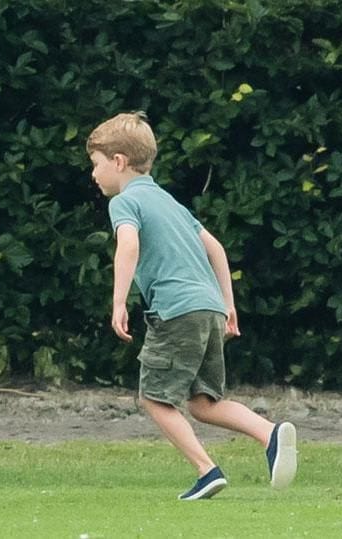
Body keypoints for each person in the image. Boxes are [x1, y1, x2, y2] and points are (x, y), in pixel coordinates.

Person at [86, 112, 297, 500]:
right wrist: (228, 304)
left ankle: (207, 470)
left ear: (118, 161)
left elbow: (128, 245)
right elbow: (214, 247)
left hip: (175, 311)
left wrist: (118, 302)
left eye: (96, 165)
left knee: (153, 396)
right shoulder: (168, 201)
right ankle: (269, 434)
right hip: (209, 308)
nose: (94, 175)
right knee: (203, 402)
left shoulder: (125, 202)